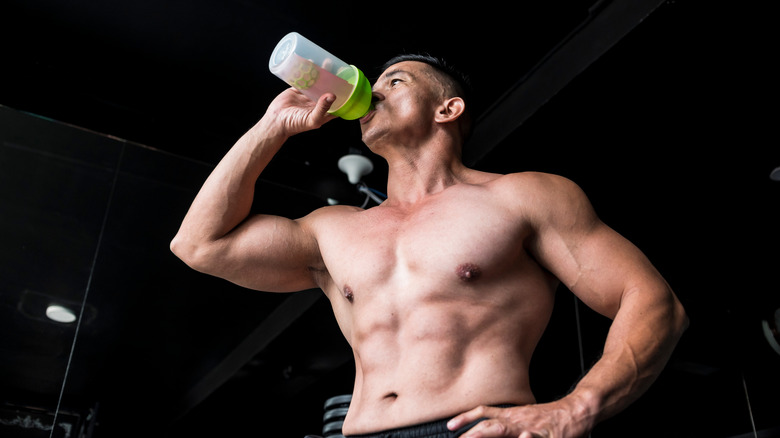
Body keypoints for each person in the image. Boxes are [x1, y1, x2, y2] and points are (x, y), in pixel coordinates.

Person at [170, 54, 688, 438]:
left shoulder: (522, 196)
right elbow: (200, 244)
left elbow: (651, 299)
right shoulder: (333, 228)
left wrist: (577, 407)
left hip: (475, 429)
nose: (371, 94)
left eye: (393, 82)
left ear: (448, 107)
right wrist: (271, 128)